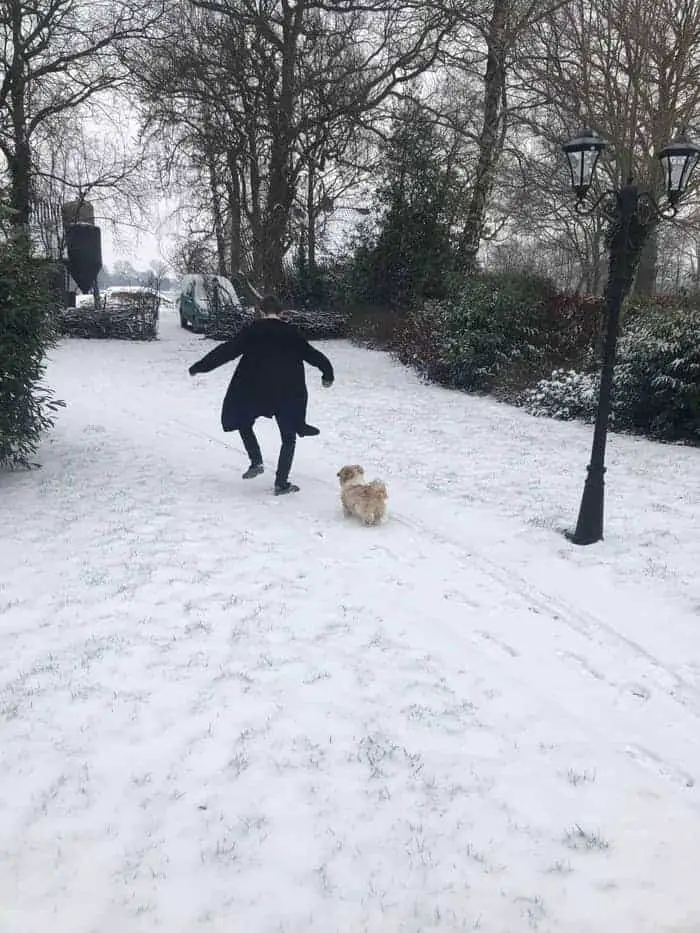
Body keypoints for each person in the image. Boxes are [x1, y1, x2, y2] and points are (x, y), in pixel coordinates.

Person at [188, 294, 334, 495]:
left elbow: (226, 351)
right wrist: (327, 373)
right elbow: (312, 354)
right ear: (282, 312)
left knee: (243, 421)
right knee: (288, 436)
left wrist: (200, 367)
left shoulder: (252, 331)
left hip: (253, 389)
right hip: (286, 391)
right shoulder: (291, 332)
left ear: (260, 311)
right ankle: (281, 483)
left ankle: (256, 460)